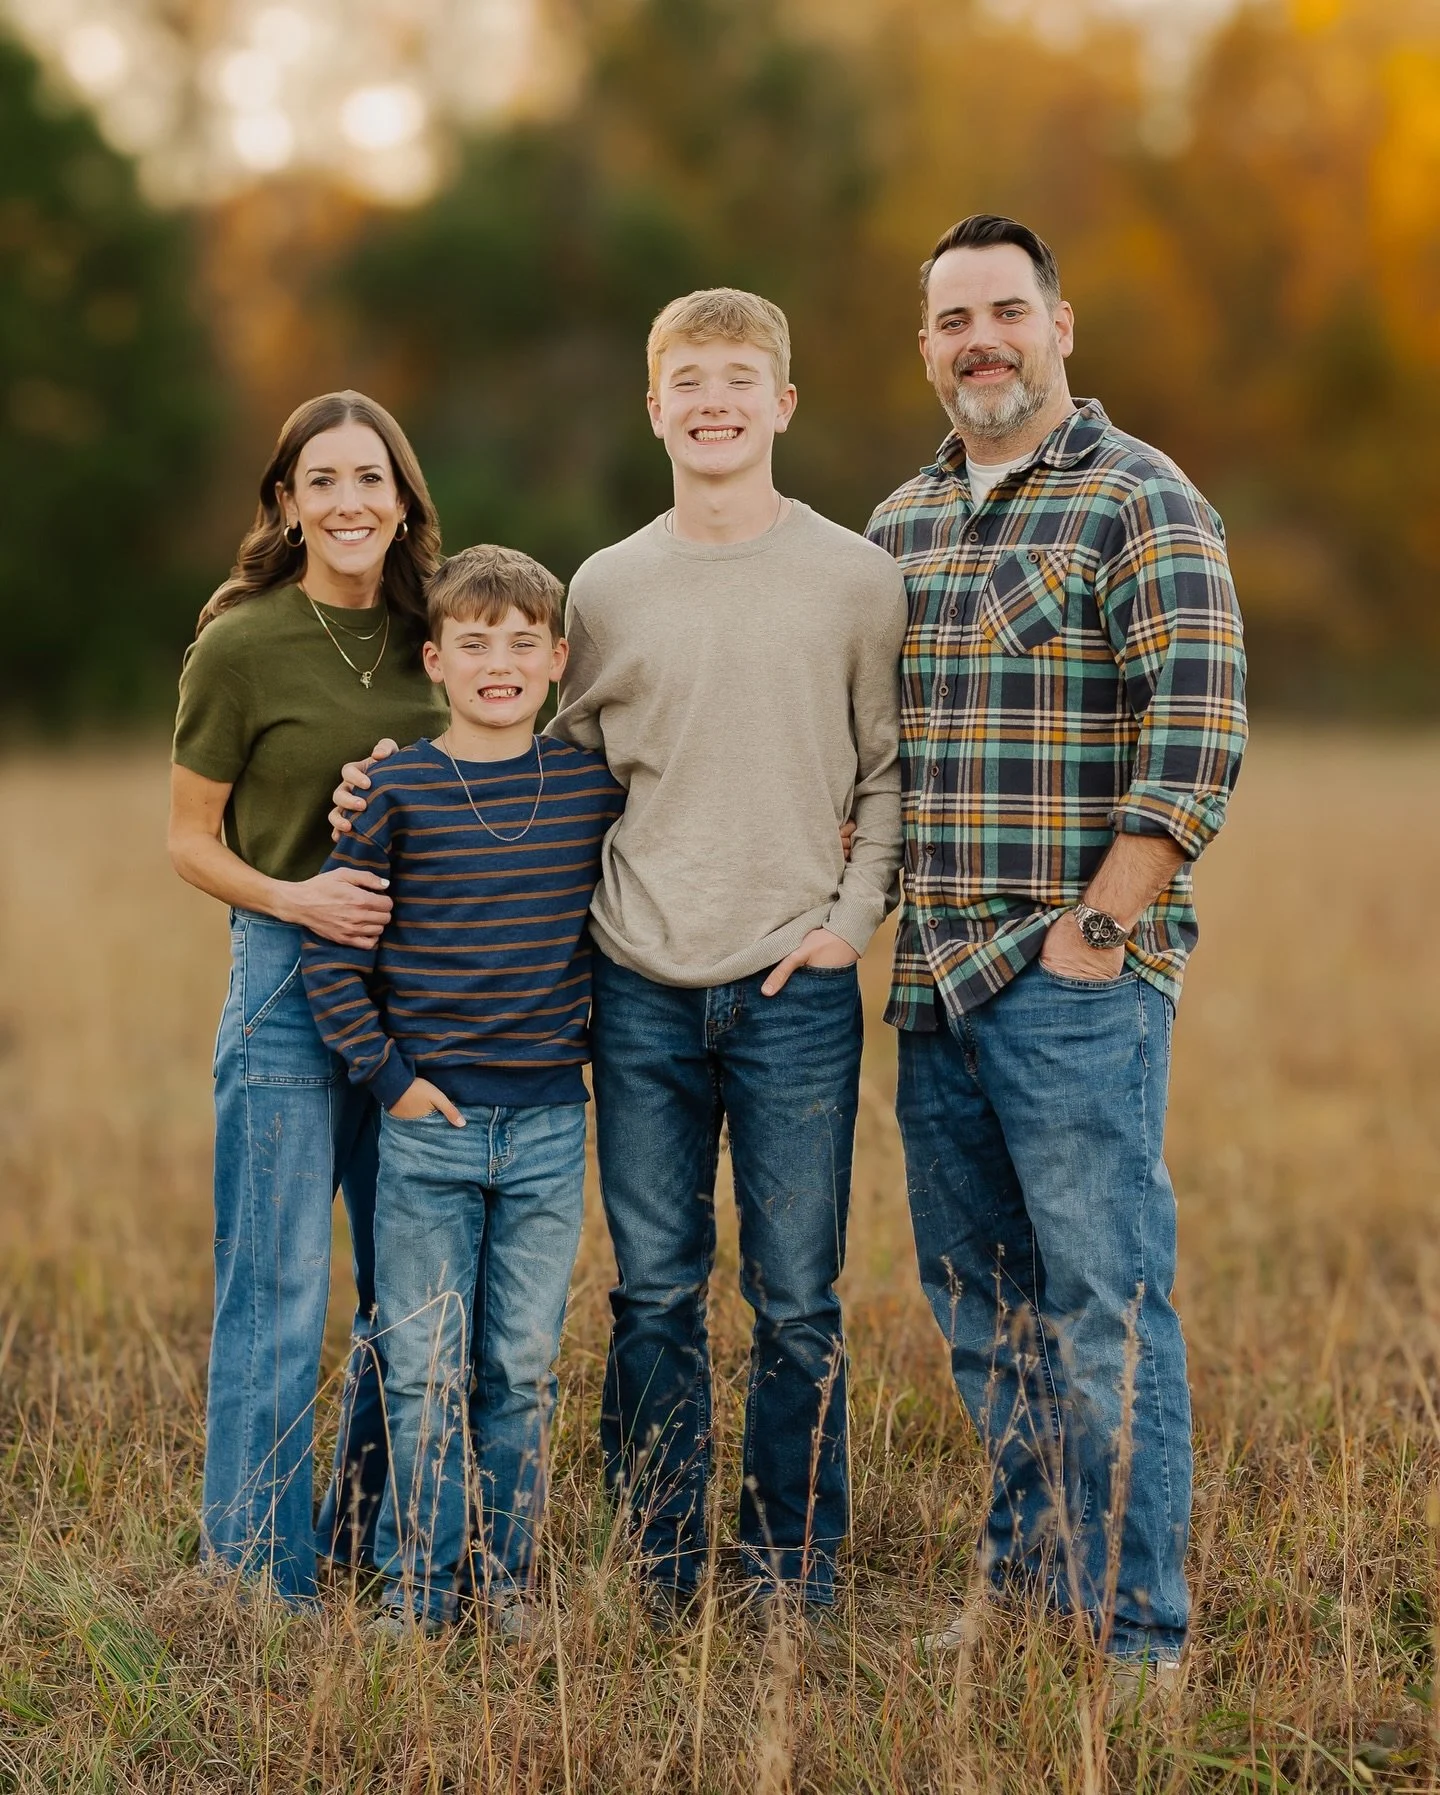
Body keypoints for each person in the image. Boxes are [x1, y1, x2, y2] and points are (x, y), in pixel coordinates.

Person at [333, 289, 907, 1617]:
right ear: (655, 405)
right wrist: (393, 775)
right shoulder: (608, 585)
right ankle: (660, 1568)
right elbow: (546, 766)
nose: (715, 402)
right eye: (689, 380)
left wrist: (845, 924)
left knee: (799, 1301)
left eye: (740, 378)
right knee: (654, 1291)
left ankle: (785, 1576)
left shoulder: (856, 577)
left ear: (784, 402)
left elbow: (884, 772)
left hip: (794, 988)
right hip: (637, 984)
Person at [865, 216, 1248, 1684]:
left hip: (1072, 982)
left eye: (1006, 310)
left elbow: (1197, 734)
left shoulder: (1142, 499)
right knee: (984, 1311)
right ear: (924, 345)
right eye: (954, 317)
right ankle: (1024, 1590)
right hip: (933, 979)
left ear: (1060, 325)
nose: (982, 339)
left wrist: (1100, 929)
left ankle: (1140, 1630)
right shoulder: (899, 523)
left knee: (1107, 1305)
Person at [301, 545, 624, 1636]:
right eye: (476, 644)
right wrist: (388, 1081)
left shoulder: (590, 786)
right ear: (434, 660)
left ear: (558, 657)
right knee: (424, 1368)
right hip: (428, 1126)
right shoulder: (394, 787)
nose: (501, 663)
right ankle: (415, 1590)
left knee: (522, 1369)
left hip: (544, 1127)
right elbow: (331, 957)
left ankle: (506, 1582)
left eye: (523, 643)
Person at [168, 391, 446, 1605]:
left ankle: (362, 1539)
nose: (348, 502)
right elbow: (189, 841)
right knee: (277, 1289)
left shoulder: (441, 633)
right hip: (286, 975)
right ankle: (256, 1579)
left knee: (411, 1293)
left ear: (402, 499)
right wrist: (301, 901)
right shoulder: (241, 643)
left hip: (425, 986)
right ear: (286, 503)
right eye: (321, 480)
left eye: (369, 479)